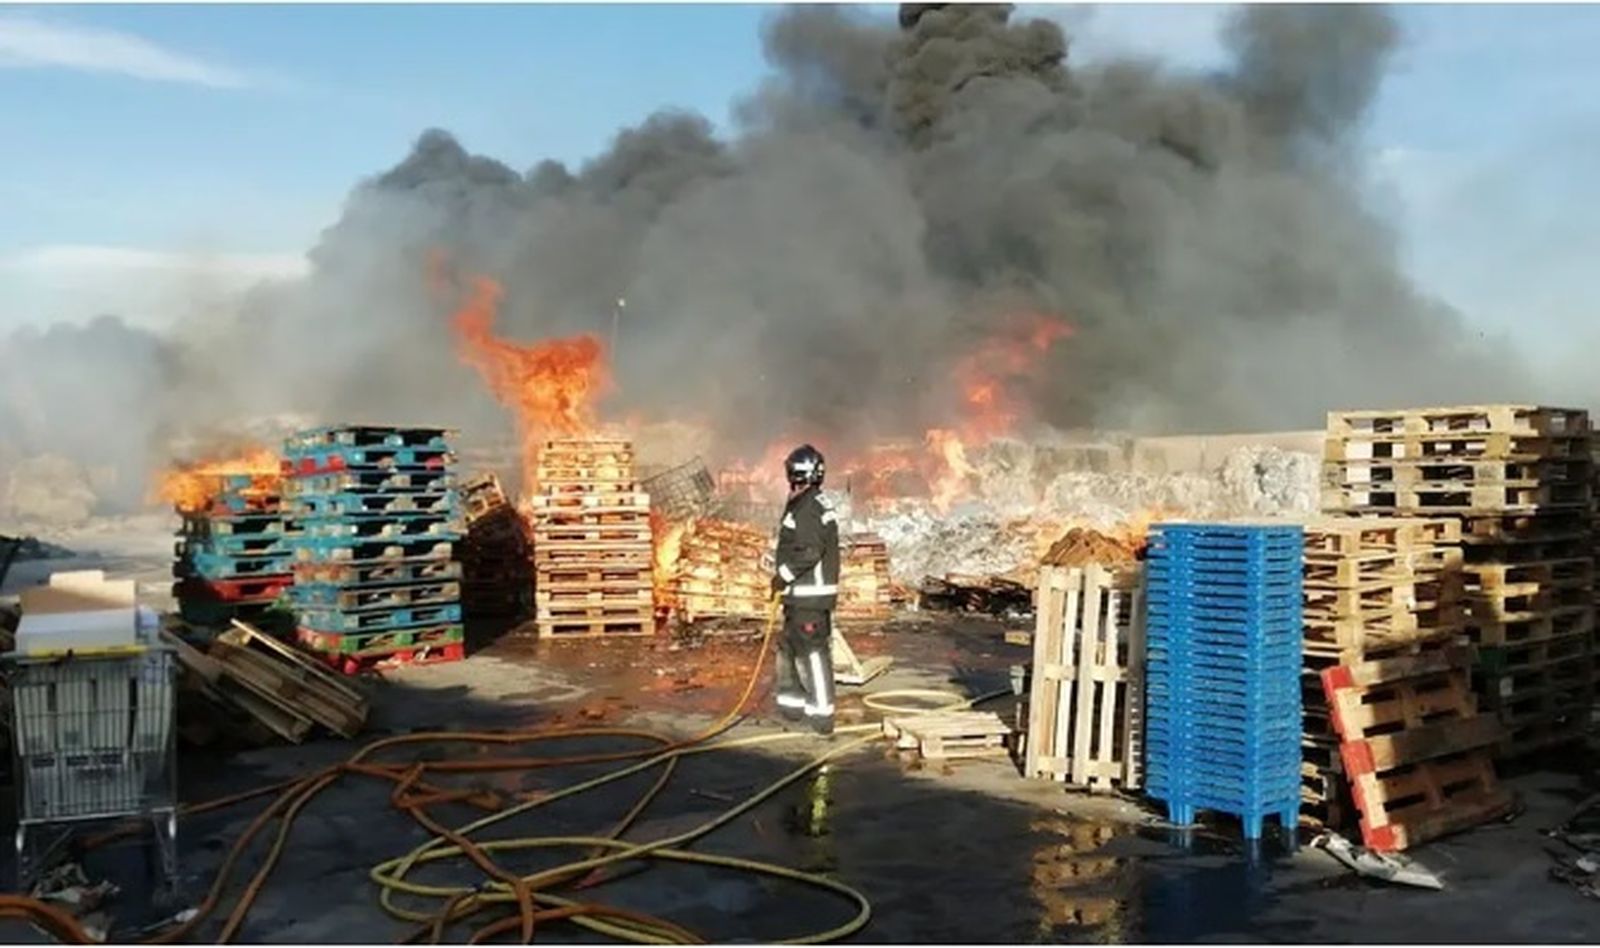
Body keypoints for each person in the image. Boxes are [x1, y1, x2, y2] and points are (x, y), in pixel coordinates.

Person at [770, 443, 842, 736]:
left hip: (809, 597)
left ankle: (822, 714)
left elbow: (809, 551)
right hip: (801, 597)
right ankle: (792, 705)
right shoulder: (809, 503)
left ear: (798, 474)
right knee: (788, 648)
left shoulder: (808, 508)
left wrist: (782, 576)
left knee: (813, 653)